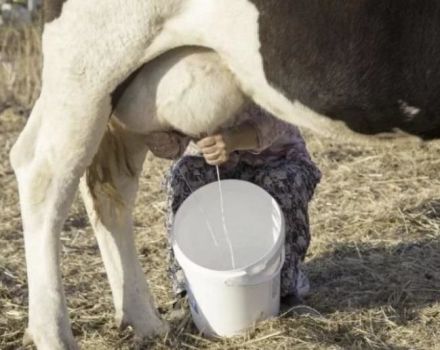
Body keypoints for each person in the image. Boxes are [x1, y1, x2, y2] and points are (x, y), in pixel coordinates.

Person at [146, 104, 321, 311]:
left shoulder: (251, 74)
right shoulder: (189, 83)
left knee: (282, 181)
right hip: (218, 165)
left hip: (279, 161)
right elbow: (172, 147)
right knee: (184, 174)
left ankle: (283, 291)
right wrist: (147, 126)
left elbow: (277, 117)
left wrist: (231, 140)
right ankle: (188, 293)